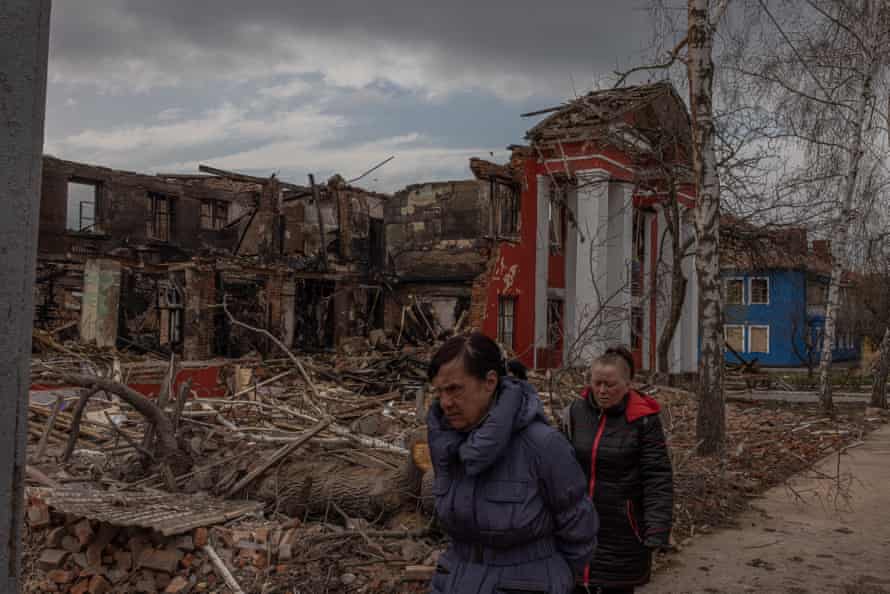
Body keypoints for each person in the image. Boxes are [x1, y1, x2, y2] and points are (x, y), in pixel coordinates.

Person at [426, 332, 598, 594]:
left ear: (490, 382)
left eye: (454, 389)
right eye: (439, 392)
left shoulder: (542, 445)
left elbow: (579, 528)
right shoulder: (449, 447)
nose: (446, 403)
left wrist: (554, 579)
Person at [562, 347, 673, 594]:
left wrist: (657, 528)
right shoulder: (574, 414)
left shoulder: (644, 421)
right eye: (597, 383)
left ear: (628, 384)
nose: (602, 390)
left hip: (623, 532)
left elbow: (657, 476)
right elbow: (557, 469)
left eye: (610, 385)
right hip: (576, 528)